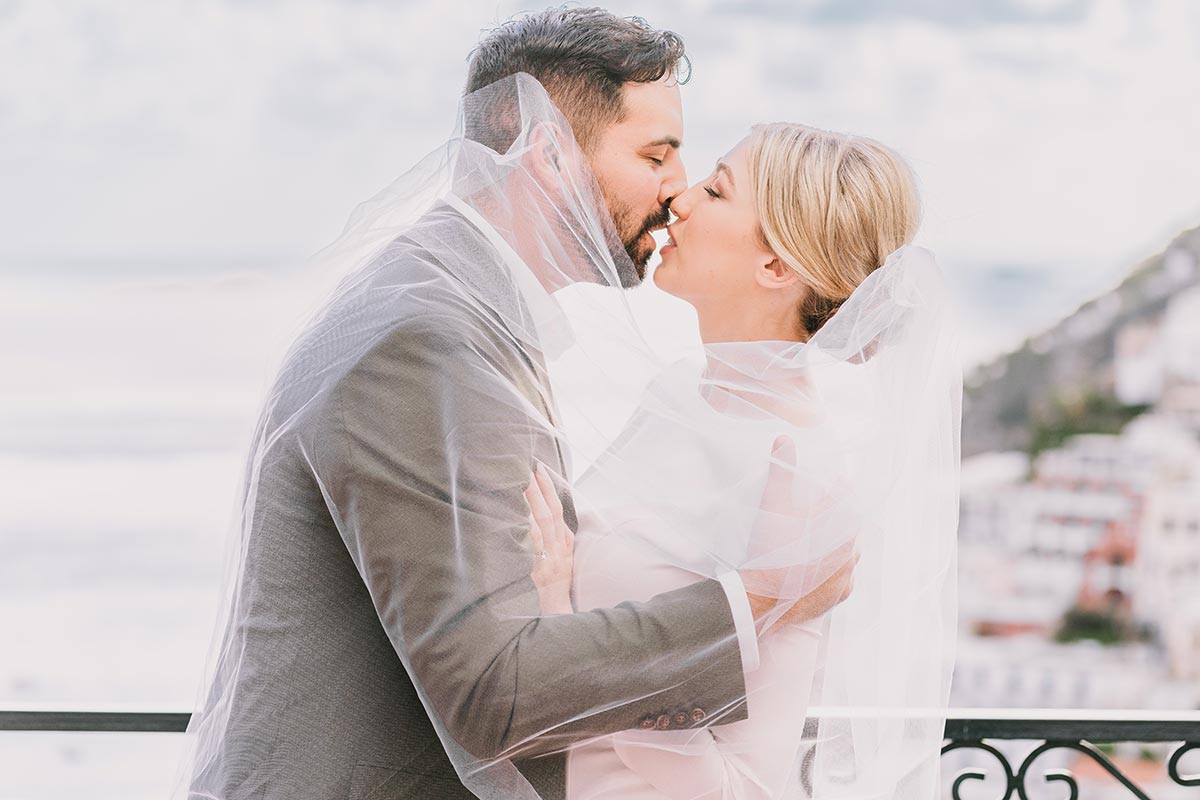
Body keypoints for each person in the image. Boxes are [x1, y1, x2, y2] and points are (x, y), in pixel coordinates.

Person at [180, 9, 855, 800]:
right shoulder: (431, 339)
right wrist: (760, 601)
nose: (678, 189)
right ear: (549, 156)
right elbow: (492, 694)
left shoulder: (448, 300)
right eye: (656, 154)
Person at [526, 124, 961, 798]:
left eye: (718, 189)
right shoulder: (673, 393)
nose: (681, 197)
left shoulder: (799, 471)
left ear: (777, 267)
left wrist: (587, 646)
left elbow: (745, 784)